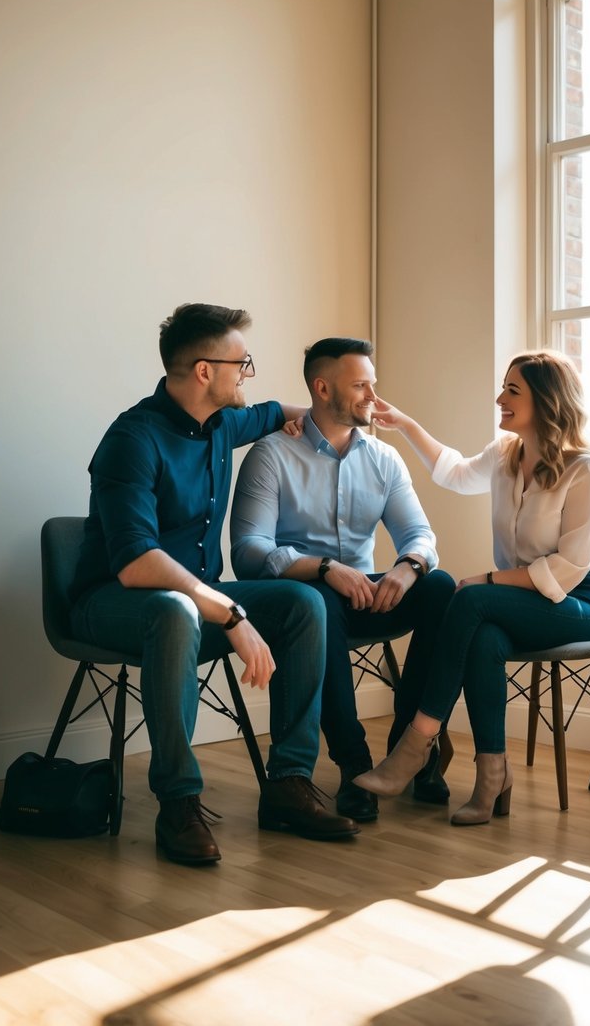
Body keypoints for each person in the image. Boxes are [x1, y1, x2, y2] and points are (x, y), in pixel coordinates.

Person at [69, 304, 359, 866]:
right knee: (176, 610)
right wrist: (229, 613)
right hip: (112, 601)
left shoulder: (224, 421)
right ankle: (178, 803)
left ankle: (289, 784)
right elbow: (134, 563)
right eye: (241, 364)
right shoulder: (132, 439)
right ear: (205, 371)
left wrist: (333, 414)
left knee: (305, 600)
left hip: (193, 598)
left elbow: (281, 411)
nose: (247, 373)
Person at [354, 350, 590, 826]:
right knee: (486, 639)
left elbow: (570, 566)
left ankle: (415, 744)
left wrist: (488, 580)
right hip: (518, 601)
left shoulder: (584, 469)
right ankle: (493, 776)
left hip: (580, 601)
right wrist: (406, 424)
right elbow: (452, 472)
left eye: (512, 390)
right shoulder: (505, 456)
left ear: (547, 401)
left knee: (468, 596)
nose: (500, 398)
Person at [230, 337, 456, 823]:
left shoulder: (383, 459)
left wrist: (408, 566)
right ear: (322, 387)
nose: (372, 396)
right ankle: (354, 764)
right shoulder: (271, 456)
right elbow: (249, 553)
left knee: (442, 589)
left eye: (372, 384)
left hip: (367, 592)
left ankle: (410, 750)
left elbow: (419, 534)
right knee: (318, 600)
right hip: (304, 597)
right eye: (360, 385)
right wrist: (324, 568)